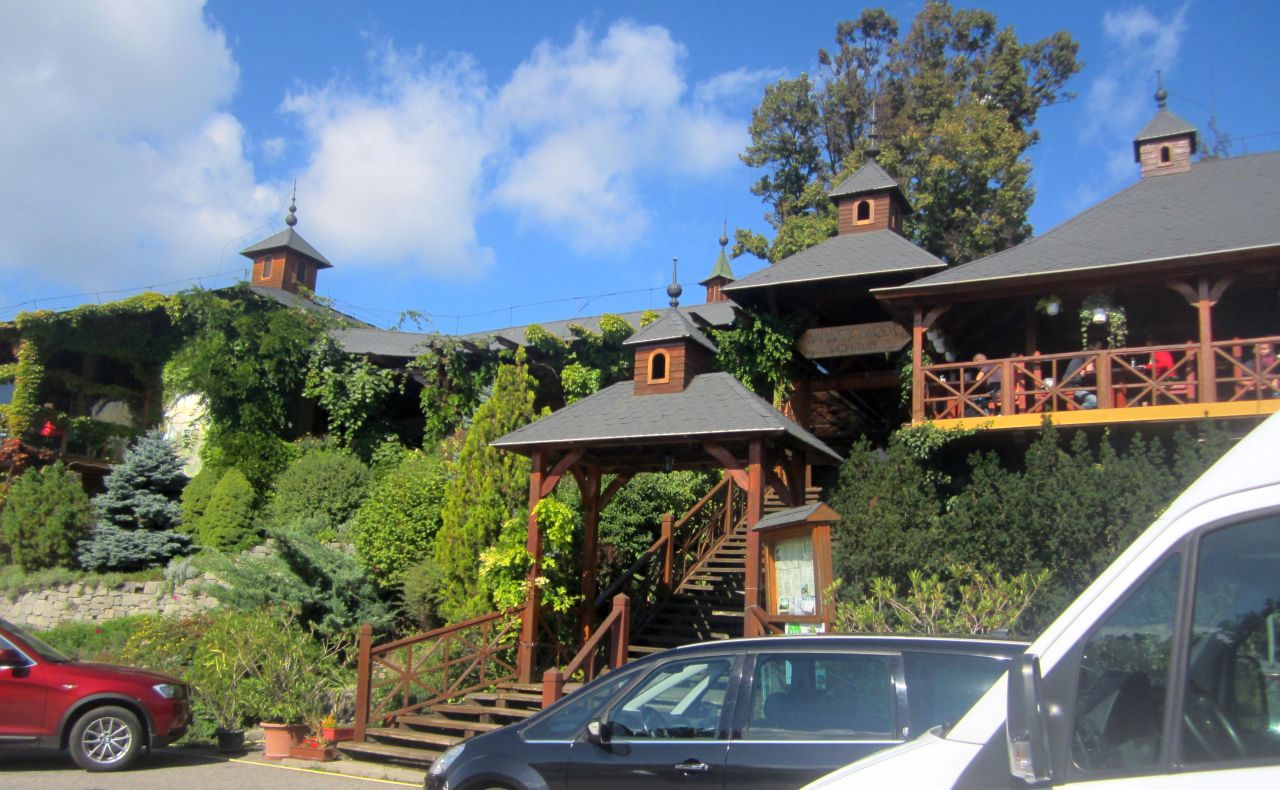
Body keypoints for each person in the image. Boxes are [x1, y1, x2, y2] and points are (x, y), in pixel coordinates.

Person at [1064, 342, 1101, 409]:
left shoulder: (1083, 353)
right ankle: (1078, 413)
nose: (1100, 350)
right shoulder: (1087, 353)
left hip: (1072, 384)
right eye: (1098, 347)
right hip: (1071, 386)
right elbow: (1090, 371)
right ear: (1091, 346)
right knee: (1095, 401)